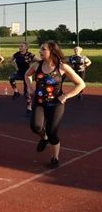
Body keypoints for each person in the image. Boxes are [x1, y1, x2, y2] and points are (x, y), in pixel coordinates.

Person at [25, 41, 85, 169]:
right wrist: (30, 88)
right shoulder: (37, 65)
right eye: (40, 49)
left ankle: (55, 158)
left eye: (43, 49)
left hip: (56, 104)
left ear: (52, 51)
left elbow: (81, 84)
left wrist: (66, 96)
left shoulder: (62, 67)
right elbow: (27, 75)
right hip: (39, 102)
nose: (40, 52)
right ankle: (44, 137)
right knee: (35, 126)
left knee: (53, 133)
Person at [9, 42, 36, 114]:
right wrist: (16, 67)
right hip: (20, 73)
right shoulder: (17, 54)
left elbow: (40, 60)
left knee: (26, 93)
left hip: (27, 74)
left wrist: (34, 68)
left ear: (26, 48)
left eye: (21, 46)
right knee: (11, 78)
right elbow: (11, 61)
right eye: (19, 46)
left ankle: (29, 108)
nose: (20, 47)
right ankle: (16, 92)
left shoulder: (30, 55)